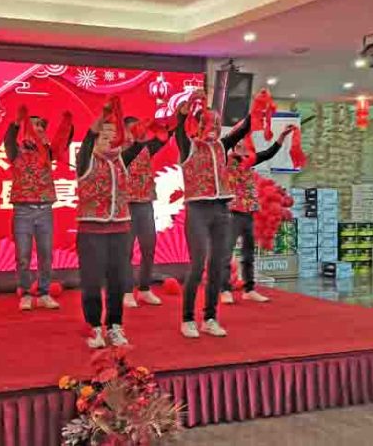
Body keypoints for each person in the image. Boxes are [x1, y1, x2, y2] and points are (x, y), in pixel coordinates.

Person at [174, 90, 250, 339]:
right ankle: (188, 319)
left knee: (217, 266)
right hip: (198, 210)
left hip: (221, 210)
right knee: (197, 265)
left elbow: (242, 130)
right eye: (209, 124)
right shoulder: (189, 146)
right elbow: (178, 128)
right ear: (198, 125)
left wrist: (259, 107)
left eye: (217, 125)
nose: (214, 129)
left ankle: (210, 318)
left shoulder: (221, 146)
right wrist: (187, 106)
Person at [76, 98, 147, 349]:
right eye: (103, 137)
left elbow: (140, 144)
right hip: (91, 231)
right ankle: (94, 326)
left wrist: (146, 131)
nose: (108, 141)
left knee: (117, 280)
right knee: (92, 281)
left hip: (120, 229)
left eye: (112, 137)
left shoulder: (121, 160)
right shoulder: (85, 160)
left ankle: (115, 325)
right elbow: (88, 139)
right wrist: (103, 116)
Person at [4, 108, 74, 311]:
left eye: (41, 126)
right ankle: (26, 293)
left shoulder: (48, 152)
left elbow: (63, 140)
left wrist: (67, 123)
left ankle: (44, 293)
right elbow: (9, 139)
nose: (39, 128)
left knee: (46, 255)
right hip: (23, 211)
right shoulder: (16, 152)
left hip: (44, 210)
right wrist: (16, 123)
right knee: (23, 256)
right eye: (34, 125)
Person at [221, 125, 295, 304]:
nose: (242, 145)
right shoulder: (226, 160)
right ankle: (224, 289)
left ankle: (249, 289)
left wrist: (281, 137)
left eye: (244, 143)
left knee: (248, 253)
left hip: (249, 212)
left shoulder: (250, 161)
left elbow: (268, 154)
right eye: (238, 143)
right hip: (232, 212)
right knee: (226, 253)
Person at [122, 116, 173, 308]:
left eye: (138, 128)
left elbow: (164, 137)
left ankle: (144, 289)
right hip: (126, 205)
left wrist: (174, 121)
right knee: (126, 251)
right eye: (131, 129)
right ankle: (126, 291)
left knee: (149, 248)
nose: (135, 132)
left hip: (145, 204)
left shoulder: (146, 147)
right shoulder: (118, 150)